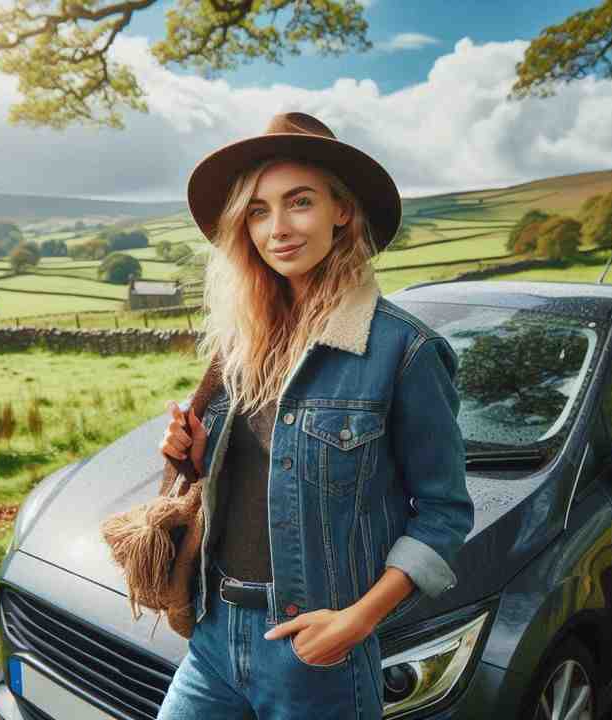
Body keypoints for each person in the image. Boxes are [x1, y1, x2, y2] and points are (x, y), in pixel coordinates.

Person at [156, 111, 474, 720]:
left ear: (342, 211)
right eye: (257, 210)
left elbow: (443, 512)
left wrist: (357, 623)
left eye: (299, 202)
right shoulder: (241, 344)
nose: (277, 228)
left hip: (313, 652)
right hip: (213, 632)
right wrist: (197, 458)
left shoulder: (402, 351)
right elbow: (257, 478)